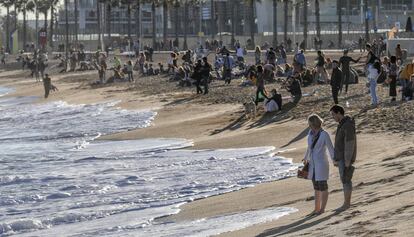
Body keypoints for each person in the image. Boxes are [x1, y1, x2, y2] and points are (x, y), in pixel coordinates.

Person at [303, 114, 335, 215]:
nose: (309, 126)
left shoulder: (324, 134)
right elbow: (309, 147)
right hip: (312, 164)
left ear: (314, 123)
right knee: (316, 187)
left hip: (321, 163)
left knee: (323, 186)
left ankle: (322, 209)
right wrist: (305, 157)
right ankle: (316, 208)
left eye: (310, 124)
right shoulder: (310, 133)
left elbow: (330, 148)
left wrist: (335, 160)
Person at [330, 105, 357, 211]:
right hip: (341, 158)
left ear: (339, 113)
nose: (333, 117)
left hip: (345, 159)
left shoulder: (347, 125)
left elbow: (350, 143)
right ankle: (346, 203)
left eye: (333, 114)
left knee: (346, 180)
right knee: (344, 180)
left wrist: (347, 160)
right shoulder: (342, 124)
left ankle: (346, 204)